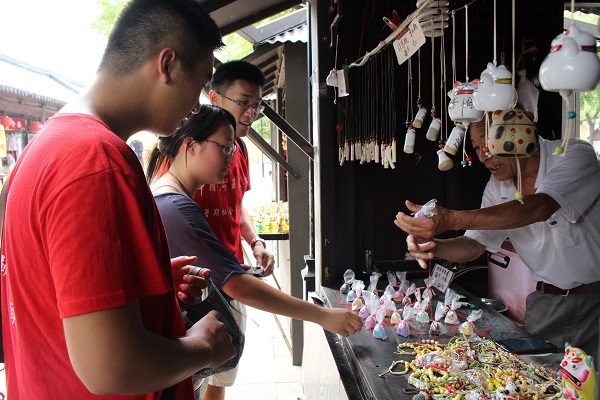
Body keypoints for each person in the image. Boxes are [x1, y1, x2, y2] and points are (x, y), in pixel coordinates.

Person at [1, 1, 237, 399]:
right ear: (167, 65)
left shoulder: (48, 145)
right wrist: (204, 348)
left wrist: (148, 288)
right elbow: (112, 369)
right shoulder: (94, 161)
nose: (196, 106)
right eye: (198, 85)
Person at [147, 105, 363, 400]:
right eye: (224, 147)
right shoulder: (176, 206)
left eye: (233, 149)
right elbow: (238, 286)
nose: (231, 158)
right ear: (190, 145)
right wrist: (320, 315)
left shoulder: (170, 195)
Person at [394, 116, 600, 362]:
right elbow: (475, 244)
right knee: (538, 382)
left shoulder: (573, 154)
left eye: (489, 145)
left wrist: (451, 219)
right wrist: (436, 247)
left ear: (522, 136)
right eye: (477, 148)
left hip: (594, 303)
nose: (482, 157)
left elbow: (538, 207)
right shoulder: (497, 186)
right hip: (544, 304)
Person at [194, 60, 275, 277]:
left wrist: (256, 242)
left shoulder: (240, 148)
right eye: (243, 102)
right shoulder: (189, 150)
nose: (252, 113)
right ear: (214, 98)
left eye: (257, 105)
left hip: (235, 271)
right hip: (198, 281)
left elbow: (235, 207)